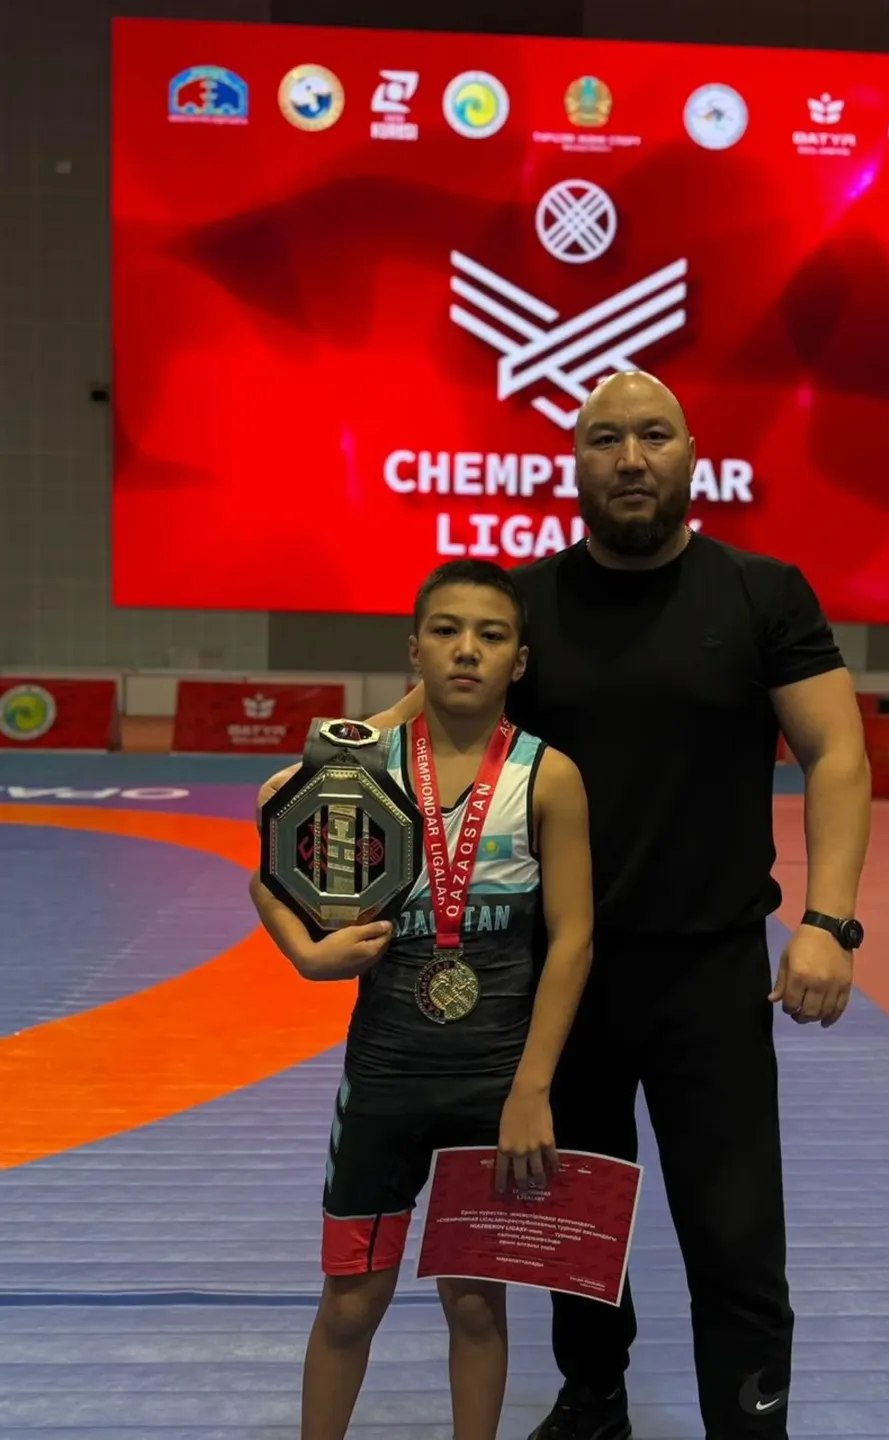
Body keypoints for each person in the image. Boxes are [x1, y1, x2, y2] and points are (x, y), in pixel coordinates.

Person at [258, 370, 872, 1440]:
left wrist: (828, 923)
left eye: (653, 436)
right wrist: (313, 777)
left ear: (692, 454)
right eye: (604, 439)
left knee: (734, 1231)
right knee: (571, 1216)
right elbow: (410, 721)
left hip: (709, 970)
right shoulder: (528, 605)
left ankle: (749, 1425)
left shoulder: (762, 594)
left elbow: (837, 753)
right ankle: (594, 1400)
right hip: (555, 975)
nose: (630, 459)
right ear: (575, 463)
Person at [250, 559, 594, 1440]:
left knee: (476, 1306)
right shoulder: (360, 771)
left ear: (520, 660)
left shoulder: (548, 777)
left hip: (495, 1088)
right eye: (445, 631)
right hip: (384, 1082)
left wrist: (532, 1090)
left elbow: (574, 940)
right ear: (415, 650)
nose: (466, 650)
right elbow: (270, 869)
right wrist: (306, 957)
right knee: (349, 1304)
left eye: (491, 635)